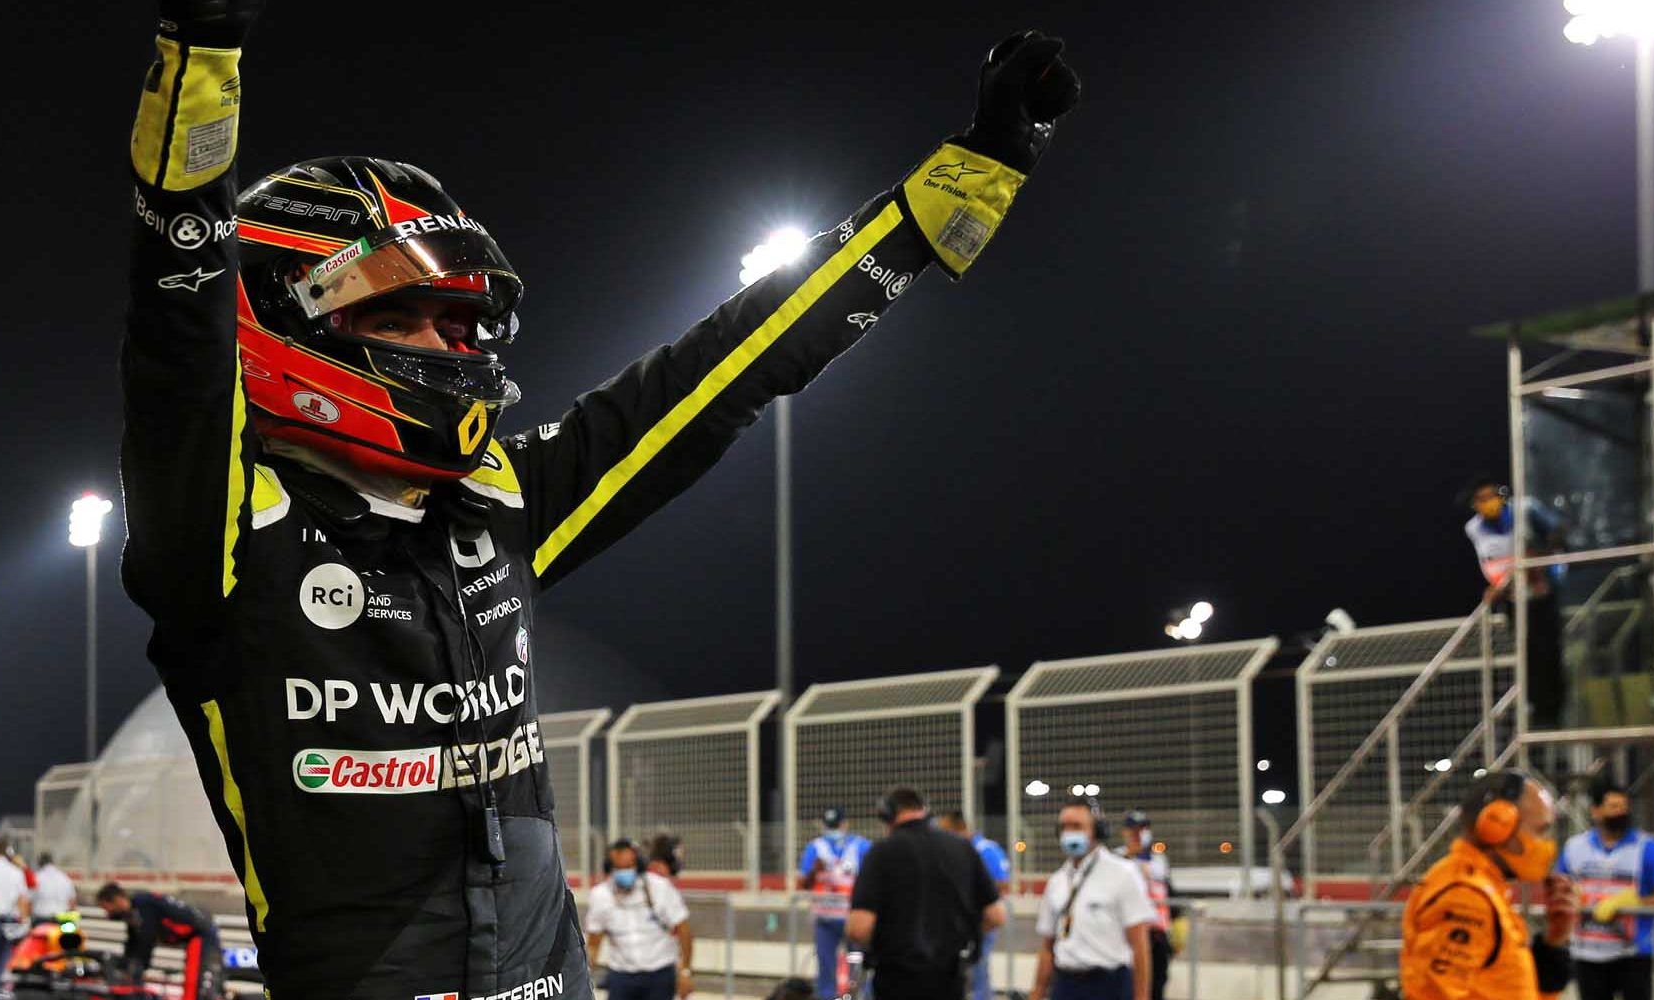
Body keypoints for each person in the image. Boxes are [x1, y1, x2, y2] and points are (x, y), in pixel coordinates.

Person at [114, 0, 1079, 997]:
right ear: (282, 322)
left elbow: (732, 365)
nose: (455, 349)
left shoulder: (498, 500)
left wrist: (961, 183)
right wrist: (204, 50)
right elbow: (174, 324)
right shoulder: (224, 535)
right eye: (405, 316)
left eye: (463, 322)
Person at [1400, 771, 1580, 1000]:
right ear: (1497, 823)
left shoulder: (1485, 888)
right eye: (1540, 830)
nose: (1546, 844)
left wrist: (1555, 940)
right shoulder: (1465, 897)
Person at [847, 788, 1004, 1000]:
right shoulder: (962, 848)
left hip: (896, 979)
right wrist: (961, 937)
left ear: (887, 815)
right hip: (950, 978)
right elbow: (996, 916)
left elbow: (859, 928)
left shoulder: (881, 853)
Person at [1553, 778, 1654, 1000]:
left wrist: (1631, 904)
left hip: (1632, 953)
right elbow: (1557, 885)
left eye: (1624, 807)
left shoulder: (1647, 848)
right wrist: (1571, 897)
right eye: (1613, 807)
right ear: (1596, 811)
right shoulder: (1575, 847)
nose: (1621, 813)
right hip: (1587, 953)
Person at [1463, 476, 1568, 728]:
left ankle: (1554, 711)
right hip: (1512, 597)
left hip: (1542, 592)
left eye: (1491, 496)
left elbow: (1558, 533)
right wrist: (1498, 587)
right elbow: (1490, 560)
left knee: (1548, 651)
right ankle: (1534, 710)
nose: (1488, 503)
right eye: (1481, 499)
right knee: (1526, 654)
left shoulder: (1526, 509)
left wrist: (1536, 558)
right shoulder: (1474, 528)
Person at [1030, 799, 1156, 1000]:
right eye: (1064, 827)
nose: (1069, 833)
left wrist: (1142, 997)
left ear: (1096, 831)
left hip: (1109, 986)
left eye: (1077, 826)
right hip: (1065, 985)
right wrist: (1037, 992)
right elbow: (1047, 947)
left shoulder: (1123, 874)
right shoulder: (1057, 882)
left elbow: (1140, 945)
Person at [585, 839, 693, 1000]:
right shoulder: (601, 896)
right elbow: (594, 943)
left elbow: (684, 929)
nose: (623, 873)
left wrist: (685, 972)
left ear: (639, 865)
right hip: (622, 976)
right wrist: (584, 976)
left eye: (628, 867)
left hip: (660, 974)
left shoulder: (660, 888)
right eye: (618, 868)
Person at [96, 883, 223, 1000]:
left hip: (201, 933)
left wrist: (136, 966)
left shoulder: (143, 907)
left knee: (194, 982)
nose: (107, 913)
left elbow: (145, 940)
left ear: (117, 900)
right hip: (194, 935)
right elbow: (133, 942)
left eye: (107, 907)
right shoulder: (135, 910)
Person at [935, 811, 1012, 1000]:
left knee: (978, 967)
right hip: (959, 921)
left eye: (945, 831)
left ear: (959, 828)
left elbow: (1002, 884)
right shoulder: (954, 851)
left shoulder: (986, 849)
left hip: (982, 918)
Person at [799, 807, 870, 998]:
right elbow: (803, 883)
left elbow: (874, 878)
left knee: (859, 967)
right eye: (830, 826)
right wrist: (815, 870)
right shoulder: (815, 848)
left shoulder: (861, 847)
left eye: (836, 825)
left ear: (845, 824)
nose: (834, 829)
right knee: (826, 969)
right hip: (825, 921)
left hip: (853, 921)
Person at [1119, 811, 1174, 1000]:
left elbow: (1165, 885)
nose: (1139, 833)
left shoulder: (1158, 859)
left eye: (1143, 829)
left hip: (1156, 934)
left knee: (1157, 984)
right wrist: (1129, 856)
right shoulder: (1117, 858)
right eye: (1134, 829)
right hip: (1127, 935)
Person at [28, 854, 77, 922]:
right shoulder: (65, 878)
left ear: (39, 864)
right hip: (62, 919)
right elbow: (72, 902)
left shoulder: (36, 877)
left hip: (41, 919)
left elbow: (29, 901)